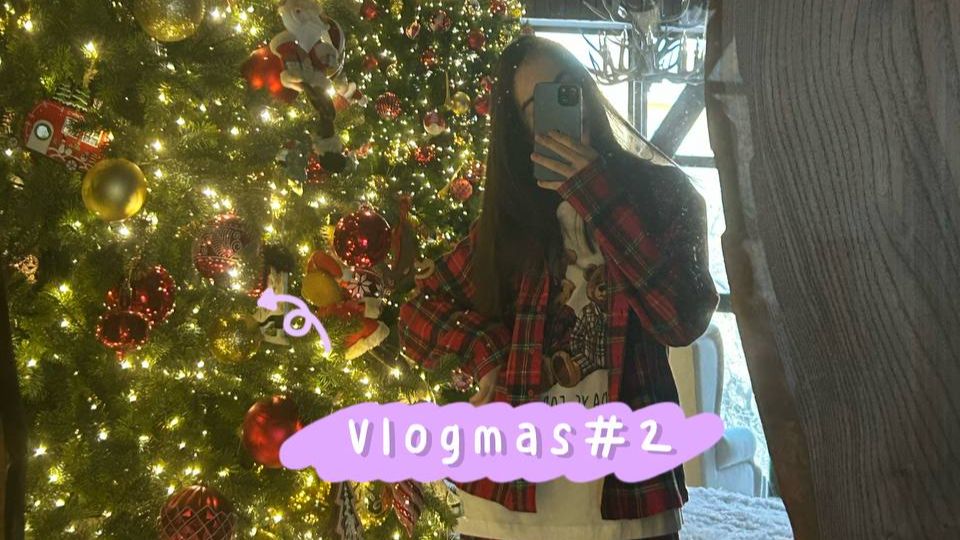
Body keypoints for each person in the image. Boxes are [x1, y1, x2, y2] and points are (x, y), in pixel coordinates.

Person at [398, 35, 719, 540]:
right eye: (540, 104)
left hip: (629, 497)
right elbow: (416, 311)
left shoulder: (663, 194)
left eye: (569, 87)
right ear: (523, 130)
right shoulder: (509, 221)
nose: (566, 106)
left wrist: (595, 192)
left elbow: (680, 319)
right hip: (505, 502)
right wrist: (486, 351)